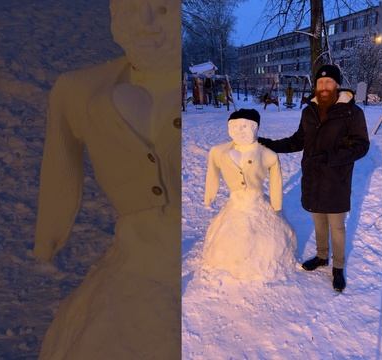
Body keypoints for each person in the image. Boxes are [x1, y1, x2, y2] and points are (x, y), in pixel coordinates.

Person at [33, 0, 181, 358]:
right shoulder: (79, 91)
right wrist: (48, 235)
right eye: (130, 9)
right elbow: (59, 167)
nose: (145, 23)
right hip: (135, 270)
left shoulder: (199, 93)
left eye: (162, 9)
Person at [259, 64, 370, 292]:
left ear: (337, 85)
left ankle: (338, 267)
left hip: (336, 178)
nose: (324, 87)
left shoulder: (352, 112)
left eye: (329, 82)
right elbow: (298, 140)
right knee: (318, 219)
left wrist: (330, 157)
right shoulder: (308, 111)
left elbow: (361, 146)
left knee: (336, 226)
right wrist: (270, 144)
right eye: (320, 83)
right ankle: (321, 257)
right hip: (313, 177)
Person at [202, 109, 296, 281]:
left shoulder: (267, 154)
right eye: (235, 126)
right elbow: (212, 174)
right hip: (235, 204)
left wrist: (276, 204)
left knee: (265, 244)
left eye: (245, 126)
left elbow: (276, 181)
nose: (240, 130)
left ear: (255, 128)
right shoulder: (218, 151)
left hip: (256, 202)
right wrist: (209, 194)